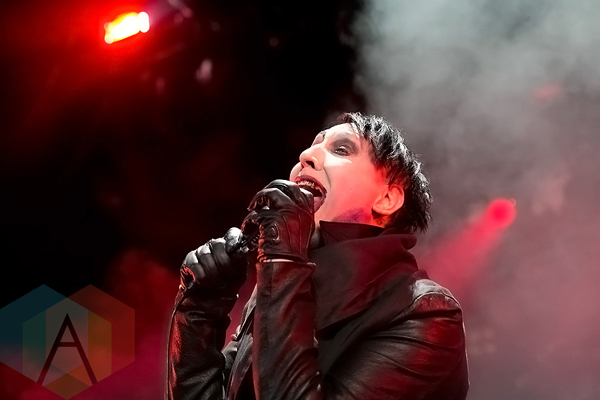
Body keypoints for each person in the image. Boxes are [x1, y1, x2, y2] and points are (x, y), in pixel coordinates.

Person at [166, 112, 469, 400]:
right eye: (312, 145)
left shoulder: (426, 313)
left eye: (341, 149)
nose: (306, 156)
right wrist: (199, 311)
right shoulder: (277, 284)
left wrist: (283, 259)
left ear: (387, 198)